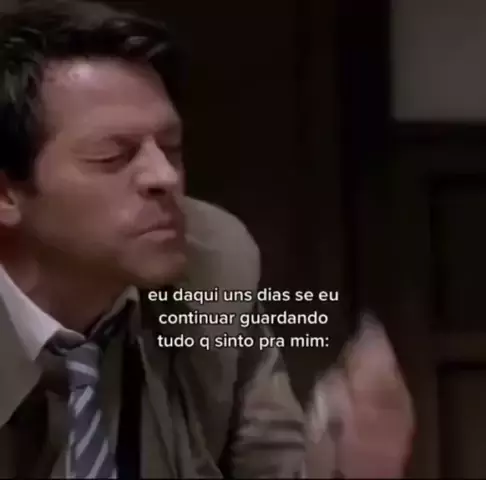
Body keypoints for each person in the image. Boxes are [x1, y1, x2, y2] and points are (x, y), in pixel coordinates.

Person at [0, 0, 414, 478]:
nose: (164, 176)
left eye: (171, 147)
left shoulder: (212, 263)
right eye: (113, 156)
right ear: (7, 195)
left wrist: (346, 464)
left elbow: (270, 462)